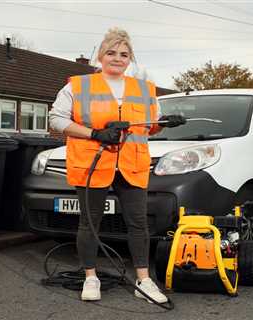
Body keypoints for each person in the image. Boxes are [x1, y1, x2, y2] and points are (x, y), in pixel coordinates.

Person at [49, 27, 186, 303]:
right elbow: (56, 119)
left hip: (131, 164)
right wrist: (95, 133)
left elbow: (147, 127)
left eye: (124, 54)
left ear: (130, 59)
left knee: (138, 224)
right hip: (93, 163)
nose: (117, 58)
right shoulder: (78, 85)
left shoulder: (144, 89)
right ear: (101, 56)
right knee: (90, 223)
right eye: (111, 52)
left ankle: (144, 280)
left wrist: (164, 123)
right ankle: (90, 277)